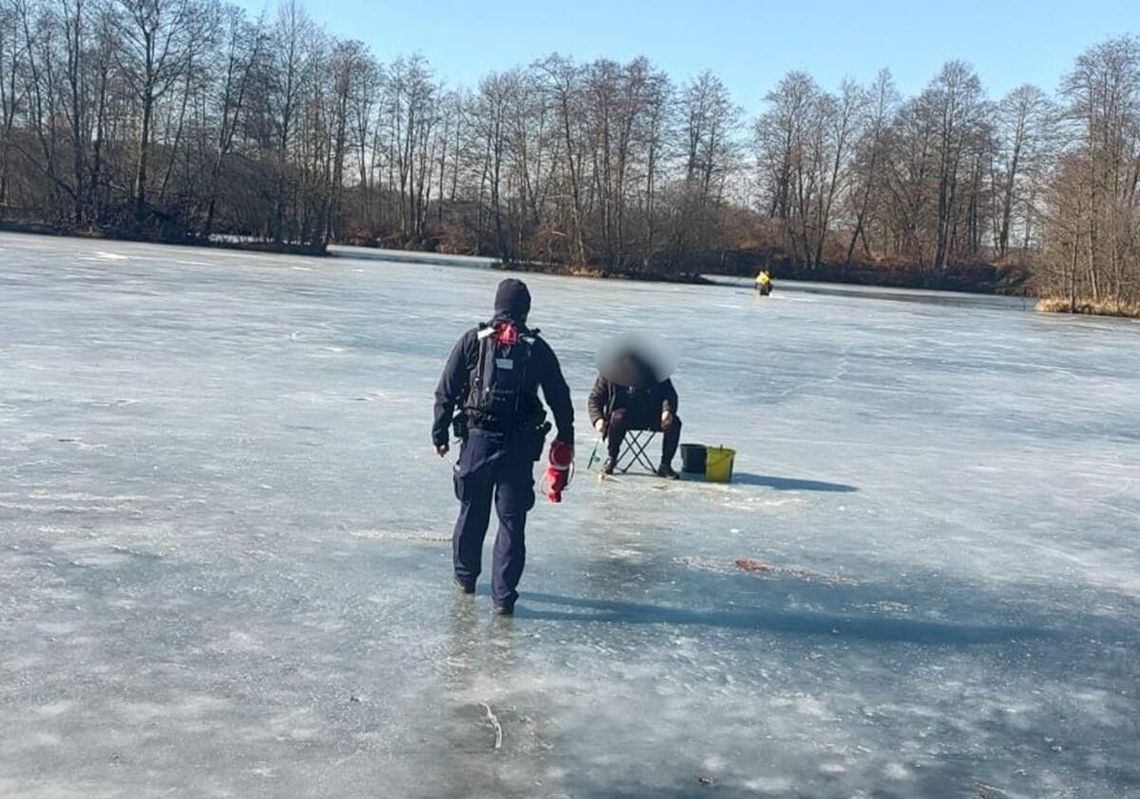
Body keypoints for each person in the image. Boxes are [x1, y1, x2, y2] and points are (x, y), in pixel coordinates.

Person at [432, 279, 574, 615]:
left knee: (472, 511)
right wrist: (565, 437)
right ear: (526, 308)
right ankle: (504, 597)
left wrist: (439, 433)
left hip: (477, 442)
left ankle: (466, 577)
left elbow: (446, 390)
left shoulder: (473, 341)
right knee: (512, 522)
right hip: (519, 446)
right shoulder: (535, 348)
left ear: (497, 304)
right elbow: (560, 397)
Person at [587, 357, 681, 479]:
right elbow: (595, 399)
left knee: (675, 423)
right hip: (623, 418)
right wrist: (598, 419)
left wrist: (667, 411)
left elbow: (669, 394)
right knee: (618, 417)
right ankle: (612, 458)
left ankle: (665, 465)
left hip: (651, 415)